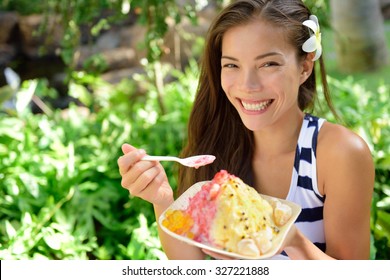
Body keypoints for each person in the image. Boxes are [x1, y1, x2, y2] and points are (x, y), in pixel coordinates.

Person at [117, 0, 374, 260]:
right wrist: (162, 201)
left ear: (305, 67)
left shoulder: (338, 153)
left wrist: (293, 241)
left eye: (268, 64)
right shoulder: (217, 144)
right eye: (231, 65)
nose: (247, 85)